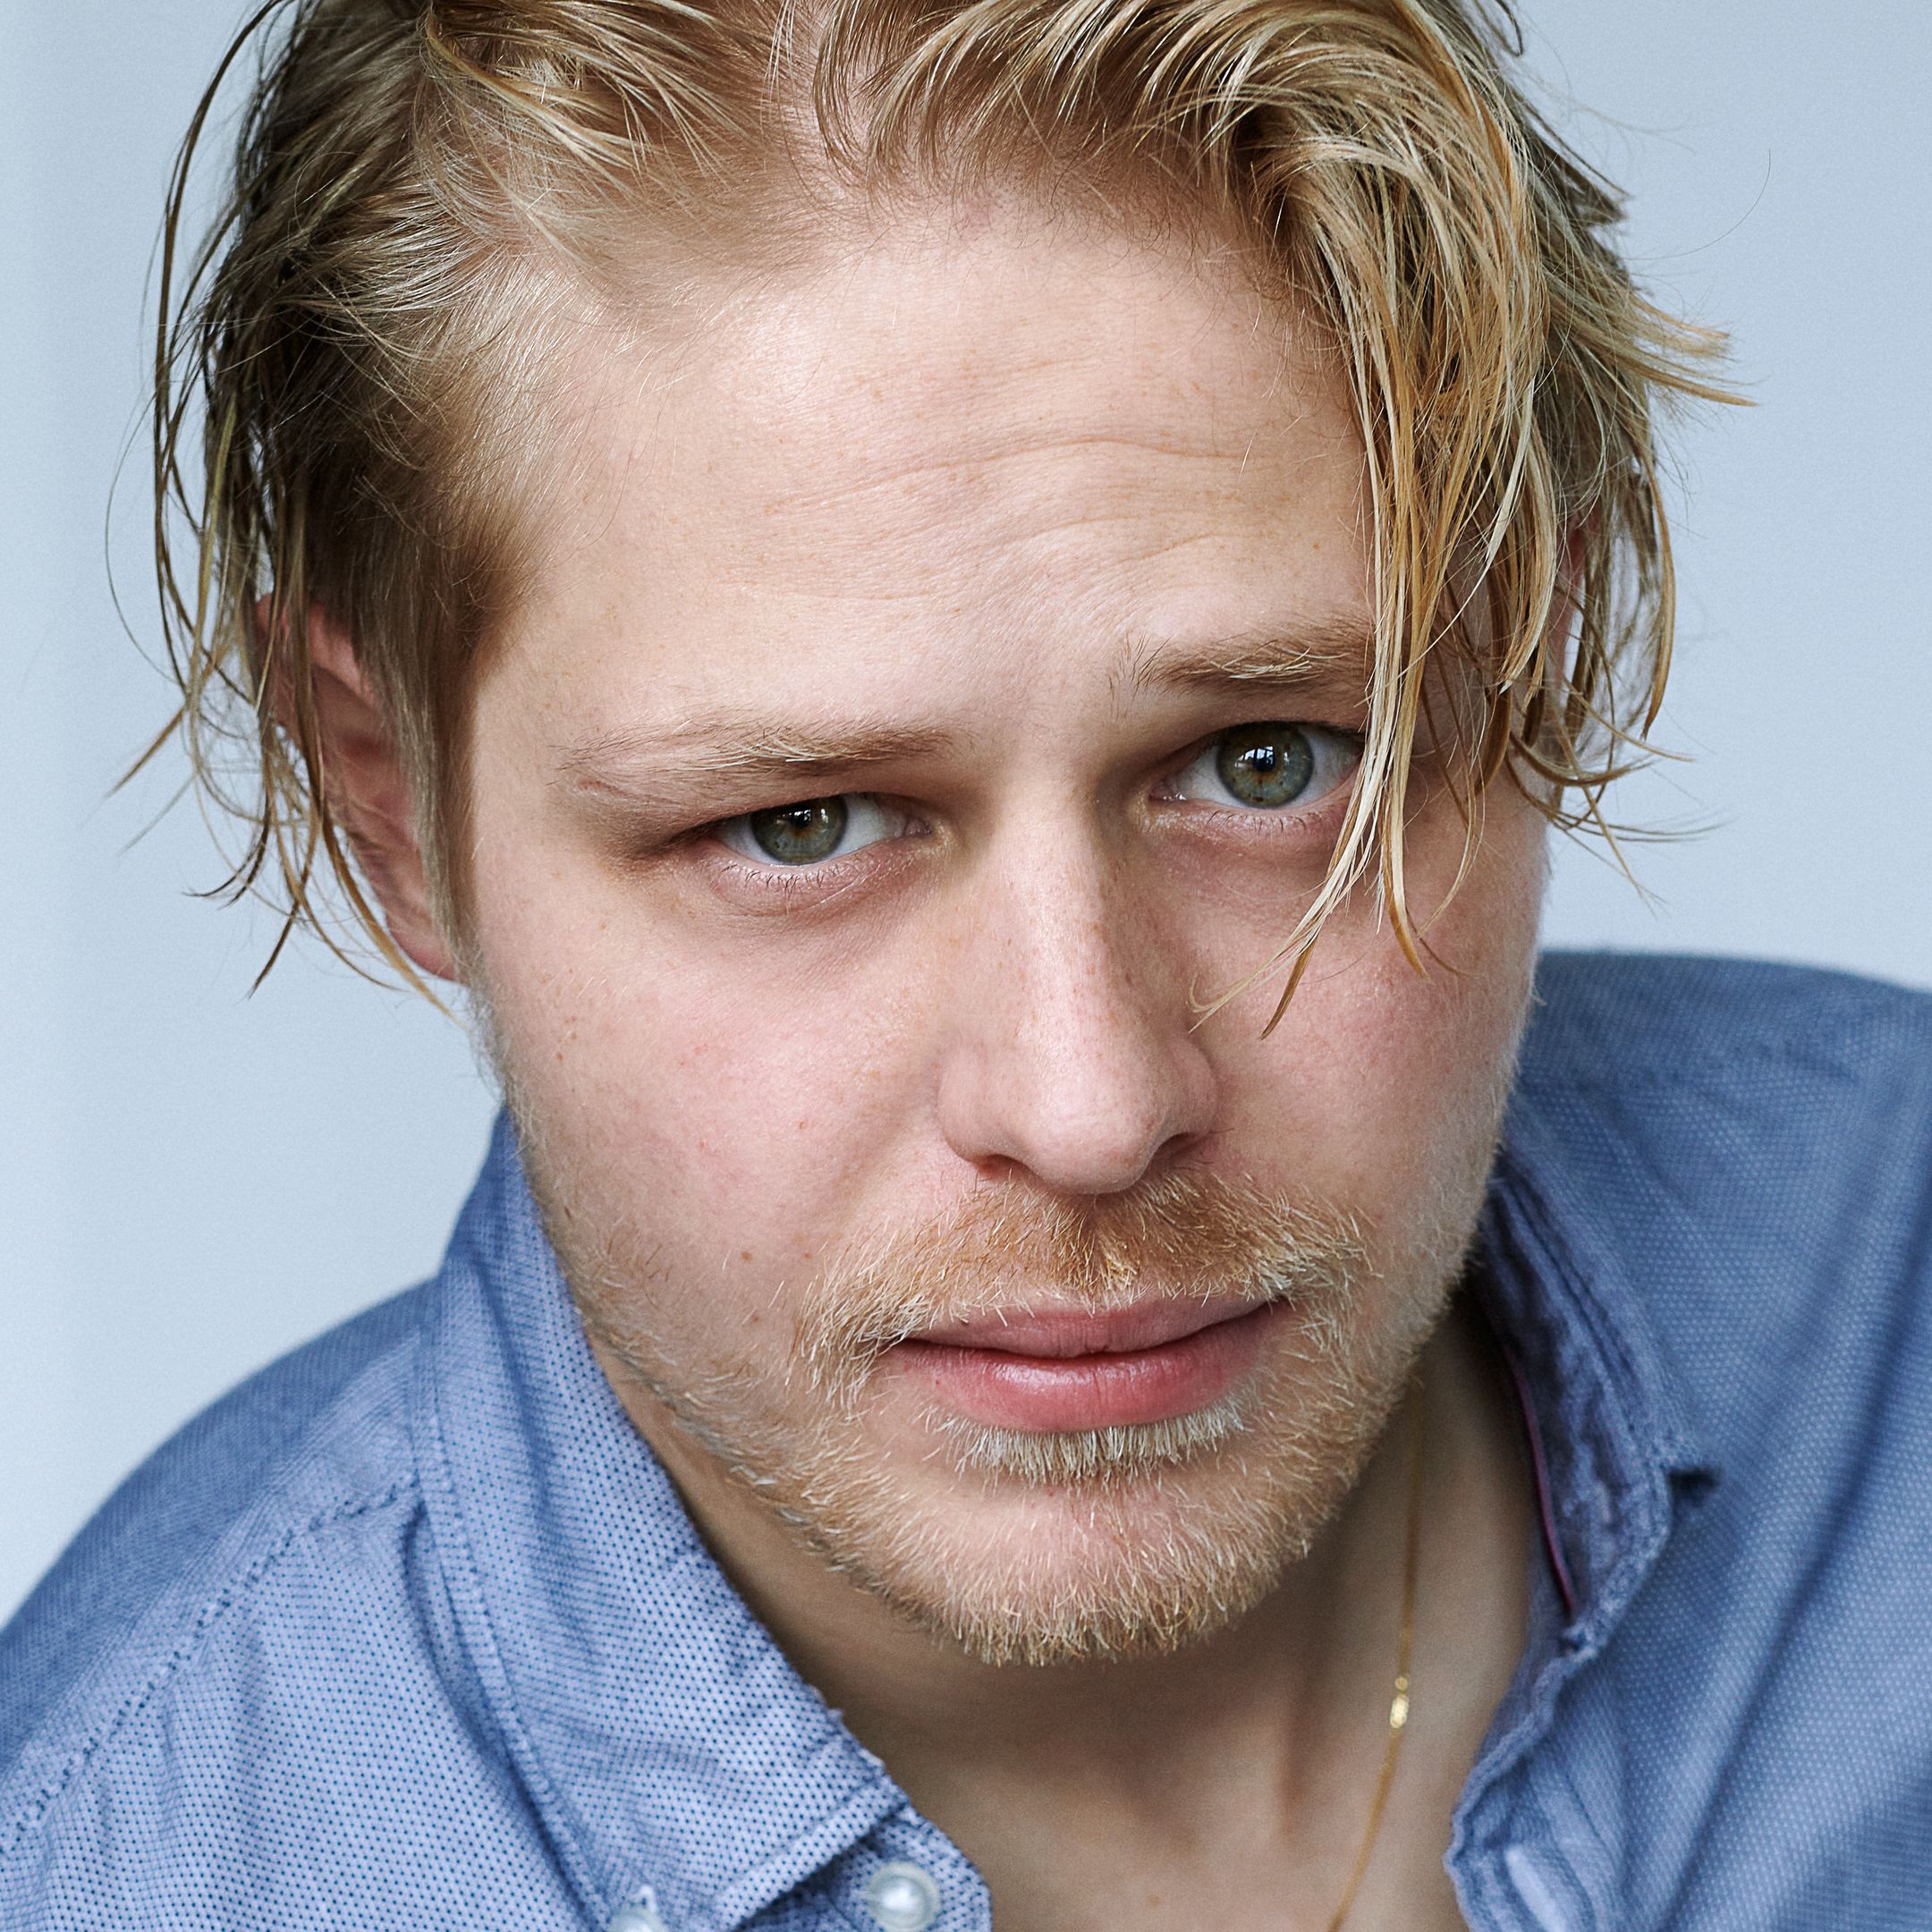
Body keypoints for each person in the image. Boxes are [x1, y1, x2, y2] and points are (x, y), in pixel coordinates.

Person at [3, 0, 1928, 1925]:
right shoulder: (135, 1867)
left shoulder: (1891, 1320)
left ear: (1543, 654)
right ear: (392, 806)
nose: (1091, 1107)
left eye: (1270, 764)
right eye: (801, 826)